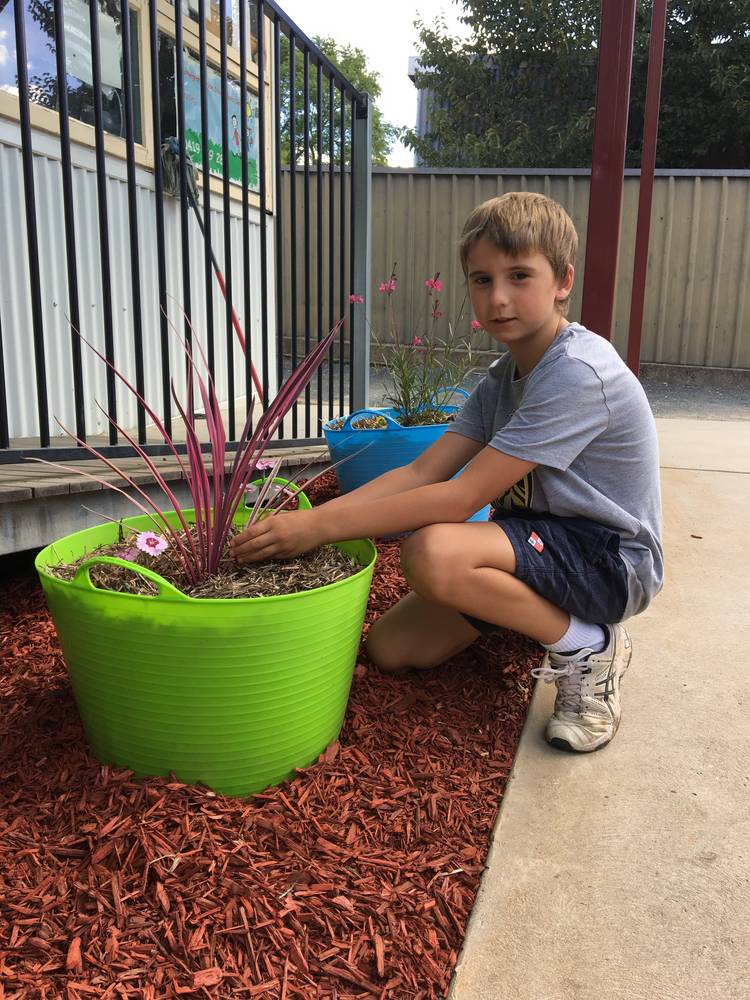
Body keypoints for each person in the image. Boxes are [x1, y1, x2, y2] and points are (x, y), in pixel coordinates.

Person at [230, 192, 664, 753]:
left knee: (434, 553)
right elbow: (419, 473)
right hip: (539, 547)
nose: (499, 298)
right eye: (481, 280)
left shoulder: (578, 372)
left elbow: (460, 498)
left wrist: (316, 531)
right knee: (392, 648)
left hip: (609, 561)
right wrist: (314, 517)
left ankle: (588, 644)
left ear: (563, 281)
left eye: (519, 275)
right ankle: (540, 616)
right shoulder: (501, 380)